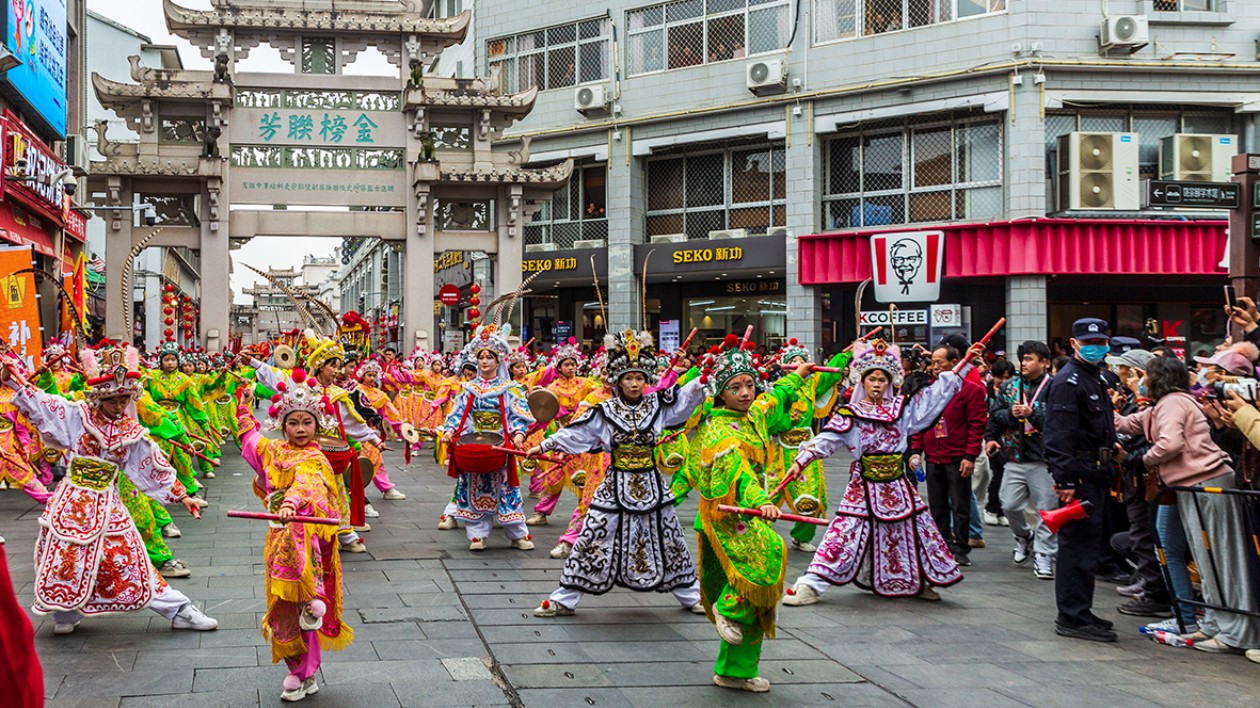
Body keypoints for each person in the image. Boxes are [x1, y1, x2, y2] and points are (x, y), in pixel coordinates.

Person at [0, 344, 218, 635]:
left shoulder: (130, 430)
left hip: (108, 503)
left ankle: (178, 609)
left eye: (124, 399)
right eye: (113, 400)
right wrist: (12, 378)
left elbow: (151, 463)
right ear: (99, 398)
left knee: (128, 556)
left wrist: (183, 496)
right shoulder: (77, 416)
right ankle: (66, 612)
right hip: (71, 501)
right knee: (65, 557)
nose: (118, 406)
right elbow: (40, 402)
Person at [782, 338, 979, 606]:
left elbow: (933, 399)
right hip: (863, 484)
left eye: (883, 379)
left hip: (897, 484)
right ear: (862, 381)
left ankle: (917, 580)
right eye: (872, 379)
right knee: (844, 533)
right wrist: (801, 461)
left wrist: (963, 366)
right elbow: (827, 439)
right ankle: (812, 584)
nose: (877, 384)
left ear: (890, 382)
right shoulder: (851, 413)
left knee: (915, 529)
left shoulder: (901, 410)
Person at [530, 331, 706, 617]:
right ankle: (564, 598)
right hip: (615, 484)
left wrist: (702, 380)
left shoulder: (657, 404)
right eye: (628, 378)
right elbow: (578, 433)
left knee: (670, 537)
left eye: (638, 378)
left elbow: (683, 400)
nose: (634, 384)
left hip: (651, 484)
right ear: (617, 381)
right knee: (592, 535)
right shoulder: (604, 411)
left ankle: (691, 595)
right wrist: (543, 445)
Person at [692, 335, 812, 693]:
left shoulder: (755, 415)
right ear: (720, 394)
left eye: (748, 384)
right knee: (766, 554)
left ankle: (735, 671)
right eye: (735, 387)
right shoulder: (720, 429)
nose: (745, 393)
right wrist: (761, 500)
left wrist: (799, 376)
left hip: (749, 511)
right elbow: (739, 474)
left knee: (760, 598)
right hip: (725, 514)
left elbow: (775, 398)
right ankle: (728, 606)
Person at [237, 371, 353, 702]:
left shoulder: (316, 458)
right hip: (279, 539)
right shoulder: (274, 450)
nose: (300, 430)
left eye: (307, 423)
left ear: (317, 426)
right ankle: (300, 670)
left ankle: (302, 671)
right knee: (282, 610)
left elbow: (308, 483)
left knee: (306, 603)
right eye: (293, 423)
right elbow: (251, 443)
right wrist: (244, 411)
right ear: (283, 424)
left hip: (308, 541)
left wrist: (290, 502)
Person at [1044, 318, 1120, 642]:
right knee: (1076, 547)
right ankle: (1072, 616)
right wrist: (1064, 480)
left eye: (1102, 342)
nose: (1097, 347)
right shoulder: (1068, 381)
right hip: (1078, 476)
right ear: (1073, 344)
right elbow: (1058, 436)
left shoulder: (1095, 378)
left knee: (1088, 546)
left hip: (1096, 472)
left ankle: (1081, 610)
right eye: (1090, 342)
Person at [438, 324, 535, 551]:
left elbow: (518, 416)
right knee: (474, 485)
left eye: (489, 357)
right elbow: (459, 414)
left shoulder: (509, 388)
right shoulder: (468, 388)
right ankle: (477, 535)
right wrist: (450, 432)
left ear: (498, 361)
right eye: (481, 357)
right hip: (474, 443)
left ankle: (517, 534)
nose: (484, 362)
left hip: (500, 443)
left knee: (507, 489)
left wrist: (519, 434)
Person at [768, 339, 851, 552]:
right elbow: (773, 419)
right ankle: (758, 533)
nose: (798, 363)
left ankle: (801, 536)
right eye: (793, 361)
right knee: (768, 493)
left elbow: (831, 374)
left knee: (812, 494)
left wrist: (845, 355)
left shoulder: (812, 386)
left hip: (806, 445)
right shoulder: (781, 388)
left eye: (801, 360)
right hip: (781, 448)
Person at [910, 344, 987, 566]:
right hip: (933, 457)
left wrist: (970, 456)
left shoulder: (970, 390)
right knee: (937, 505)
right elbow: (919, 423)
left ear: (955, 362)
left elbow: (976, 425)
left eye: (939, 362)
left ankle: (961, 548)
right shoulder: (928, 390)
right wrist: (916, 451)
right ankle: (940, 544)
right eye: (932, 362)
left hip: (958, 457)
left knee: (960, 506)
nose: (934, 367)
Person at [986, 341, 1057, 579]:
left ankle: (1044, 554)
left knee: (1047, 509)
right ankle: (1024, 536)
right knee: (1009, 505)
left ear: (1045, 362)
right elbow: (995, 416)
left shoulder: (1054, 387)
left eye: (1029, 359)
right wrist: (1000, 427)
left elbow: (1059, 422)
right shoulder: (1009, 387)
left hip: (1044, 458)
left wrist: (1032, 414)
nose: (1024, 364)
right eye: (1023, 359)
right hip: (1014, 456)